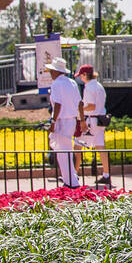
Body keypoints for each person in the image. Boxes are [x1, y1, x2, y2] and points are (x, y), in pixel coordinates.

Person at [45, 55, 81, 189]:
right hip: (71, 120)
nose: (50, 73)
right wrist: (81, 120)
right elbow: (80, 103)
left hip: (62, 120)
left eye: (51, 71)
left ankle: (71, 182)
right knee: (66, 151)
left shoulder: (56, 84)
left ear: (56, 71)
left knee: (62, 152)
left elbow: (58, 104)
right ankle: (70, 179)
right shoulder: (71, 82)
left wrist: (53, 122)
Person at [73, 64, 111, 186]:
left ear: (85, 75)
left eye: (81, 76)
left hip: (91, 120)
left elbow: (91, 105)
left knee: (78, 146)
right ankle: (106, 174)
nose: (80, 78)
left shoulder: (89, 87)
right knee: (101, 147)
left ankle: (74, 174)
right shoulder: (99, 86)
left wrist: (79, 109)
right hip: (100, 119)